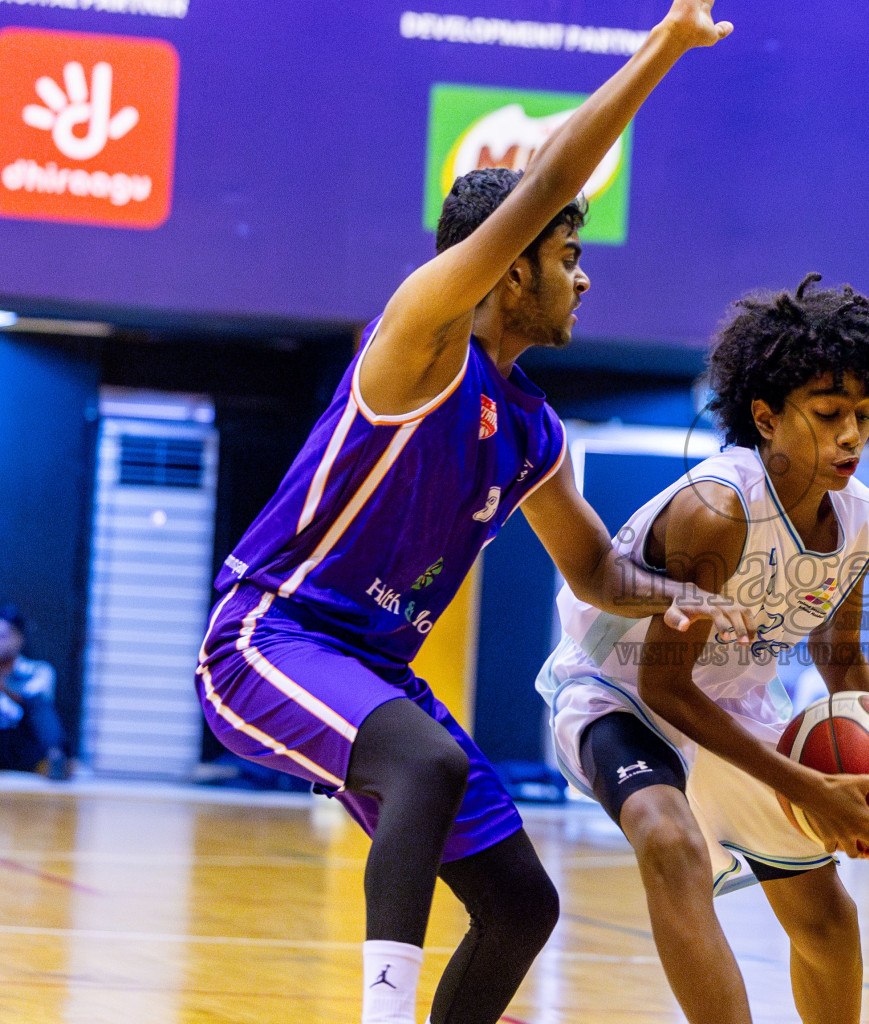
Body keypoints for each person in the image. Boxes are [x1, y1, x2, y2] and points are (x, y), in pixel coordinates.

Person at [194, 6, 747, 1024]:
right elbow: (543, 183)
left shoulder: (536, 429)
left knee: (521, 904)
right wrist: (662, 48)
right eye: (568, 251)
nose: (586, 274)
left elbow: (593, 574)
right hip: (267, 638)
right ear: (508, 267)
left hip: (373, 670)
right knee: (432, 761)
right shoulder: (424, 340)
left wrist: (678, 600)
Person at [537, 274, 869, 1024]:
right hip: (619, 695)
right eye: (828, 414)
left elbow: (842, 658)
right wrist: (801, 784)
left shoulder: (864, 517)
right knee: (668, 839)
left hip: (736, 706)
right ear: (766, 416)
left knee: (827, 918)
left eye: (863, 413)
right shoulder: (718, 510)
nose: (851, 434)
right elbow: (665, 690)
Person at [0, 605, 71, 781]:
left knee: (39, 704)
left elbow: (33, 703)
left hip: (20, 742)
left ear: (19, 638)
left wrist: (4, 683)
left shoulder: (38, 670)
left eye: (4, 636)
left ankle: (56, 758)